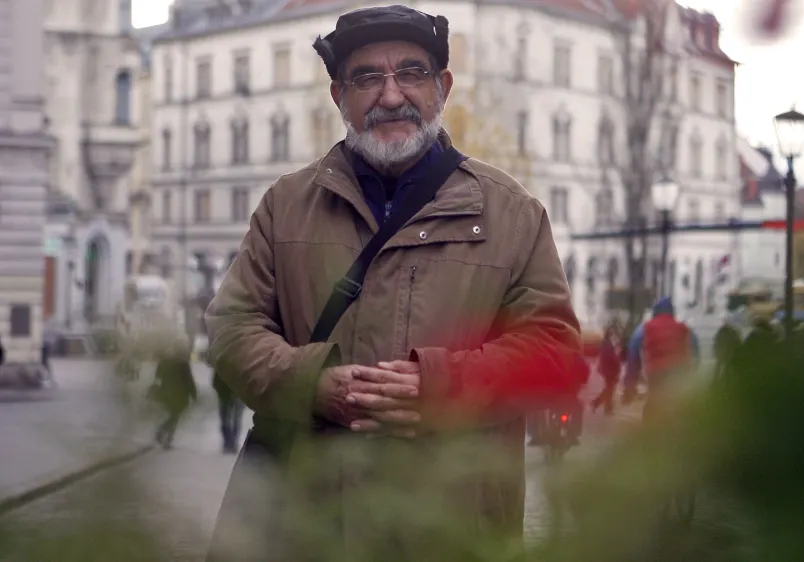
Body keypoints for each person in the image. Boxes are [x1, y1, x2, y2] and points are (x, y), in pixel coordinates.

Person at [203, 6, 584, 560]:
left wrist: (441, 387)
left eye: (411, 73)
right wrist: (310, 384)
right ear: (339, 95)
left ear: (442, 87)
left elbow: (555, 352)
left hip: (451, 530)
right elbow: (231, 327)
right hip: (301, 528)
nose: (390, 95)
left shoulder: (513, 214)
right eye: (366, 78)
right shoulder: (286, 206)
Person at [151, 340, 198, 450]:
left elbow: (158, 375)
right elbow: (189, 380)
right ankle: (164, 436)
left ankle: (166, 437)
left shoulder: (164, 361)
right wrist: (194, 395)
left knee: (174, 416)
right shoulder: (183, 363)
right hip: (180, 394)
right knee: (175, 416)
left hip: (166, 391)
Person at [591, 322, 622, 414]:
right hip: (609, 370)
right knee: (609, 389)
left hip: (609, 369)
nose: (615, 334)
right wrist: (617, 356)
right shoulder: (608, 343)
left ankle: (598, 404)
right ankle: (605, 408)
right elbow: (611, 357)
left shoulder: (608, 343)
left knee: (609, 389)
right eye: (613, 332)